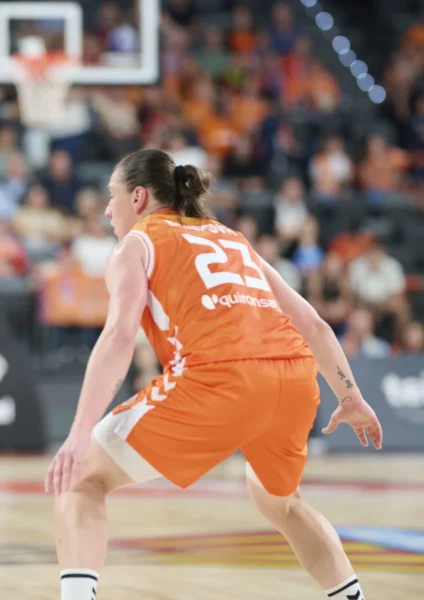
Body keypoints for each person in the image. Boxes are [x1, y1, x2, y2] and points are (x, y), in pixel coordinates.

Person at [46, 149, 383, 600]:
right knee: (282, 503)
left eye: (113, 196)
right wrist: (350, 396)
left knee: (79, 477)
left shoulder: (137, 243)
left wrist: (78, 433)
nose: (108, 209)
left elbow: (119, 337)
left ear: (139, 197)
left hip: (219, 380)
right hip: (294, 380)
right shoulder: (232, 238)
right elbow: (313, 323)